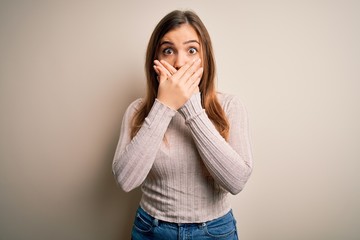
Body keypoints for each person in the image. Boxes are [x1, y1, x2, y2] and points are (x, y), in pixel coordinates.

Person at [112, 9, 253, 240]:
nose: (179, 62)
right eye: (168, 50)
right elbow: (126, 180)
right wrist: (164, 106)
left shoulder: (230, 107)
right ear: (155, 60)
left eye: (191, 50)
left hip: (215, 231)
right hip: (151, 230)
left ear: (205, 57)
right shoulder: (137, 111)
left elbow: (236, 182)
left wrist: (190, 106)